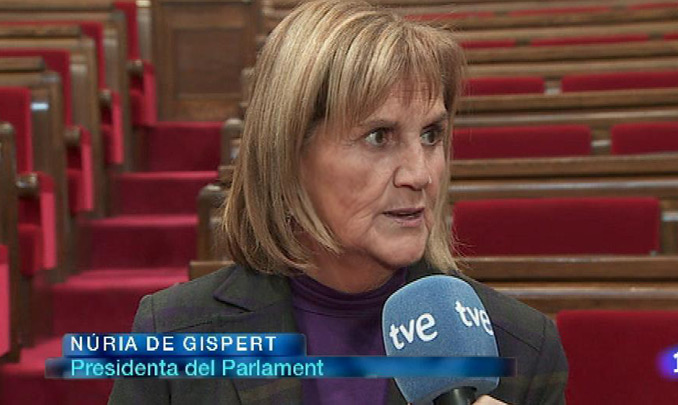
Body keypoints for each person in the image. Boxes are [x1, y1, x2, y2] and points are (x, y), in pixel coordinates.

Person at [109, 1, 568, 404]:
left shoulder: (522, 348)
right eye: (378, 136)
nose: (420, 174)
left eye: (431, 135)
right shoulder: (172, 333)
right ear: (289, 153)